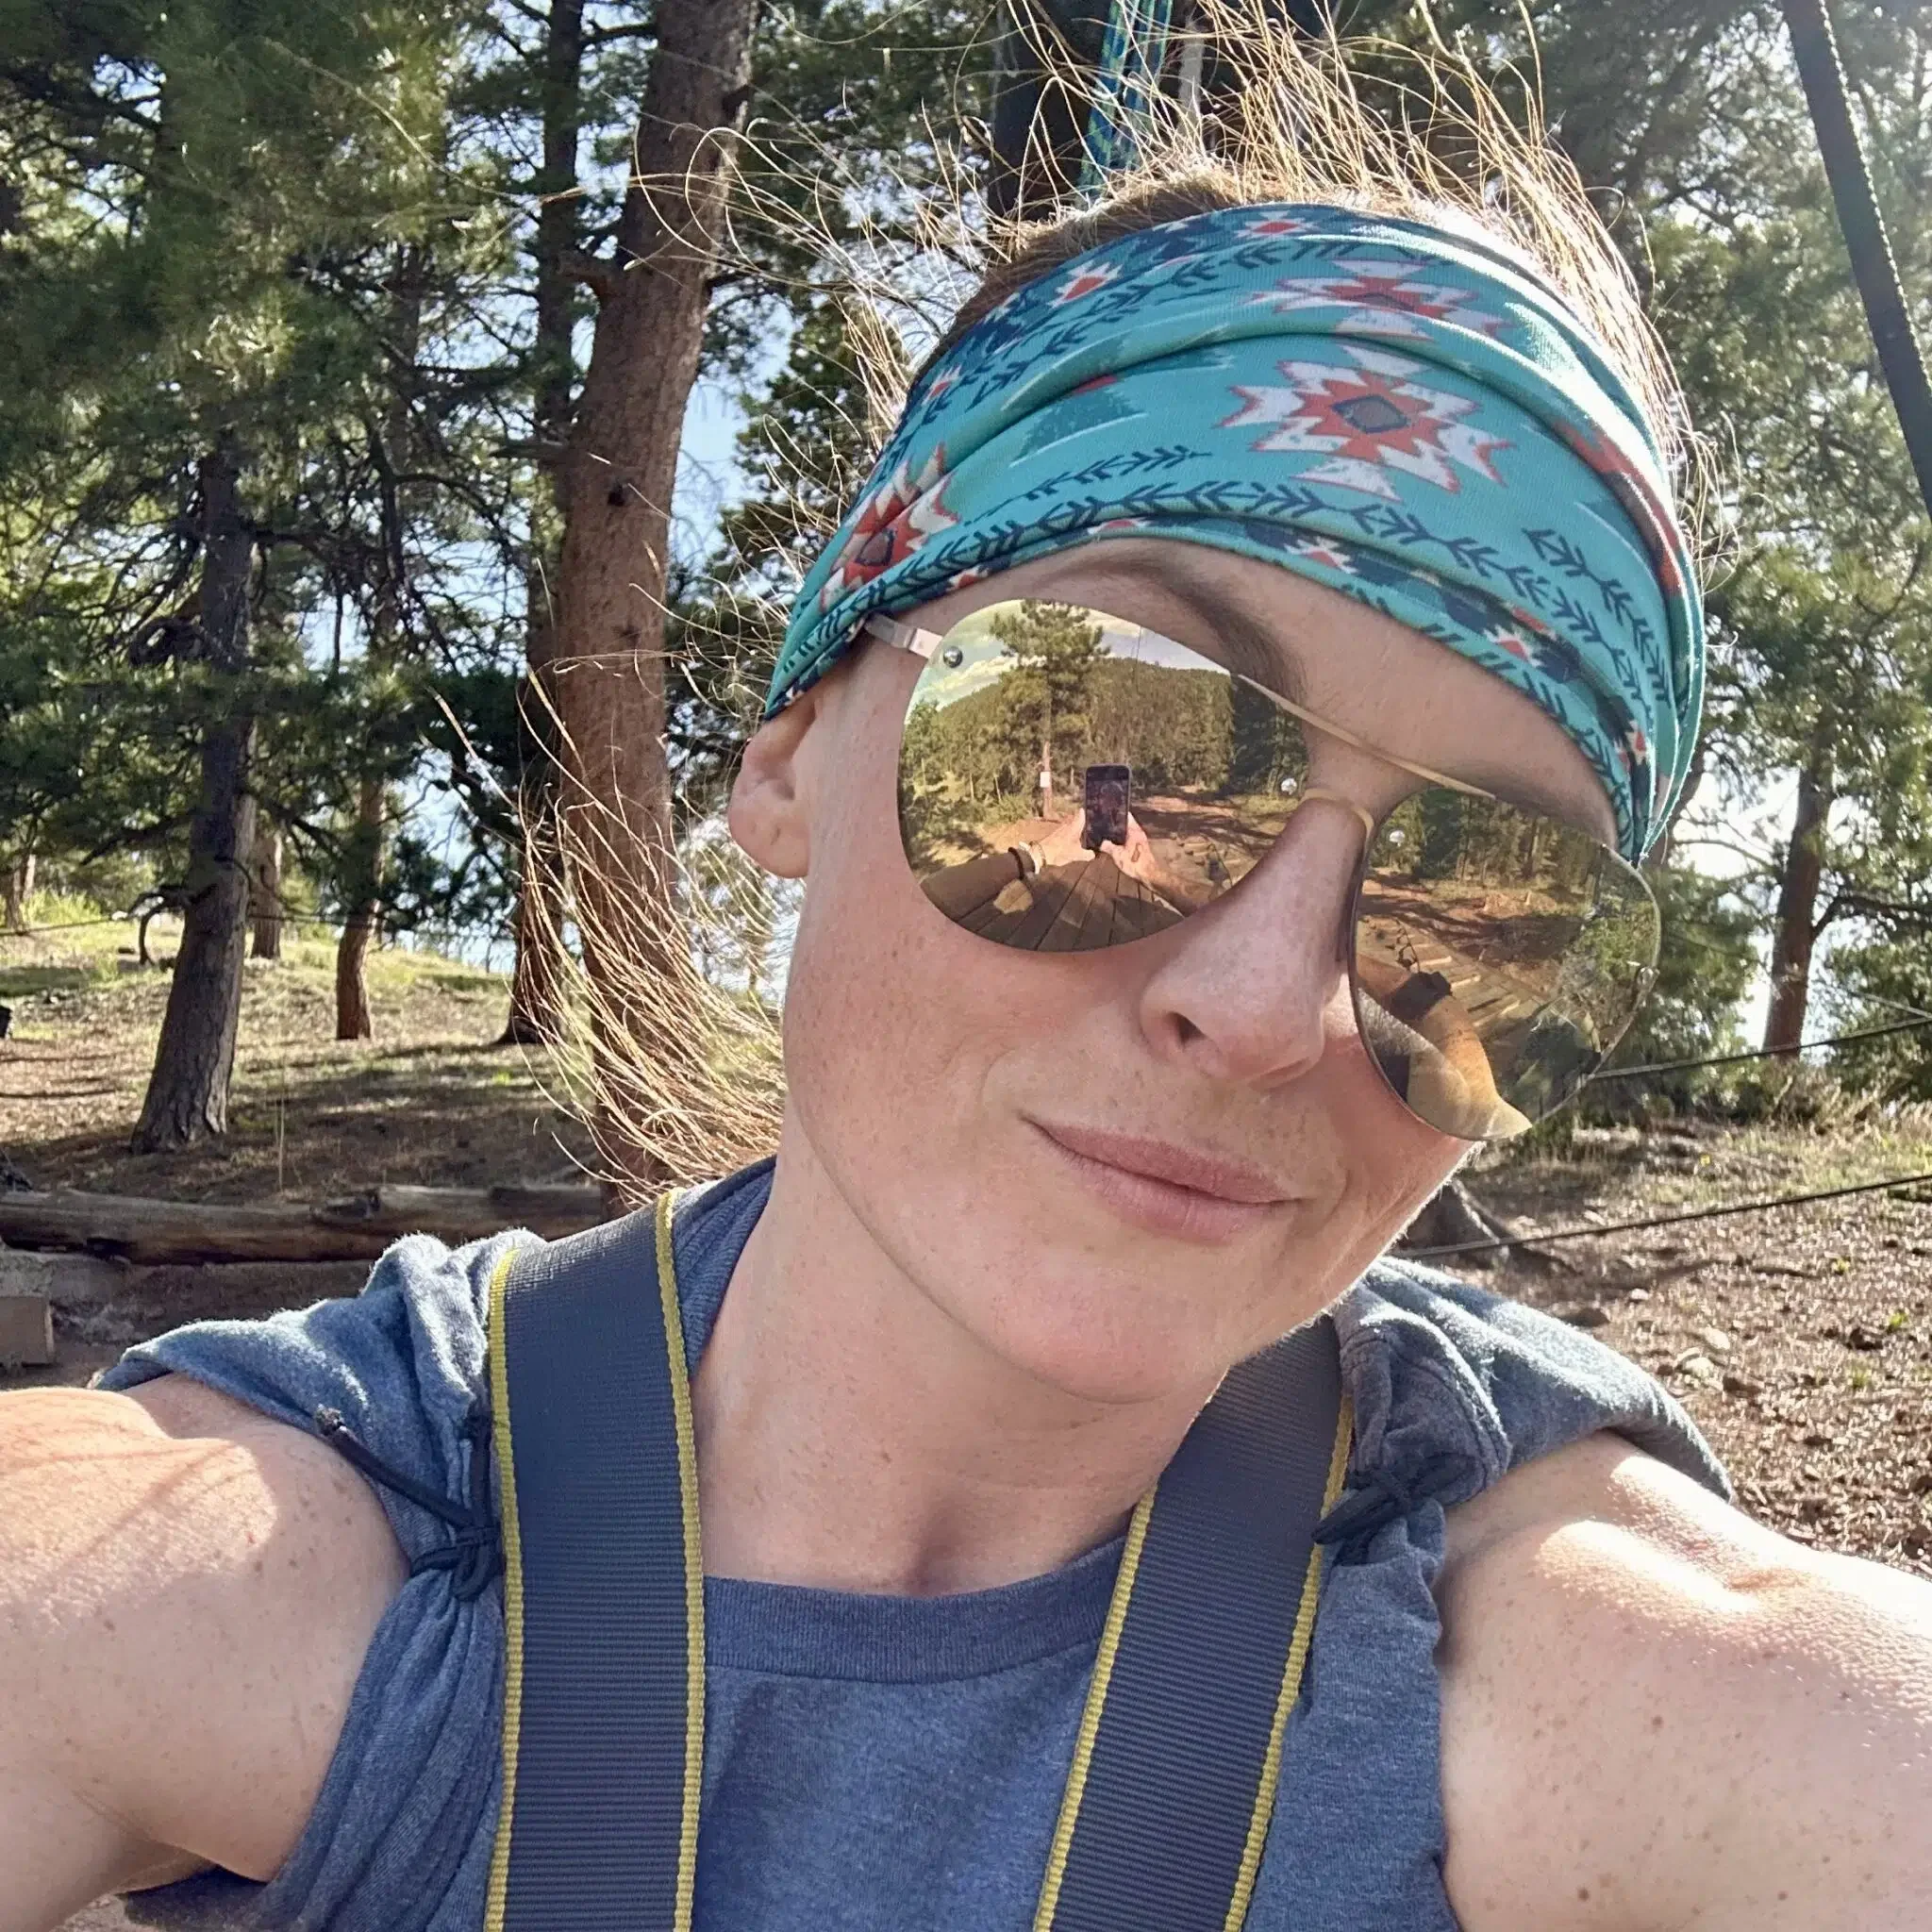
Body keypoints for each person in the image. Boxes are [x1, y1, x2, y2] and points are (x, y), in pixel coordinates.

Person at [6, 33, 1932, 1932]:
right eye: (1106, 759)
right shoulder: (285, 1546)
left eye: (1484, 906)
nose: (1273, 1009)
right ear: (790, 745)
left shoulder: (1613, 1675)